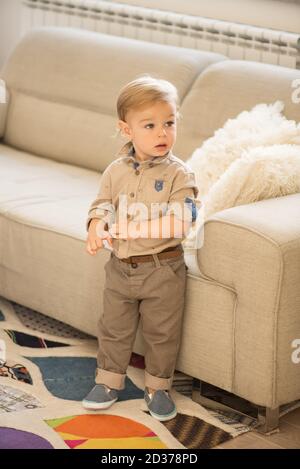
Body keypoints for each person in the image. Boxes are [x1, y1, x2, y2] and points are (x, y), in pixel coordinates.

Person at [82, 75, 201, 421]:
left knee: (162, 332)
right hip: (120, 267)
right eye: (149, 125)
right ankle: (108, 381)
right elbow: (102, 203)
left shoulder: (181, 175)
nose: (162, 133)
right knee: (114, 327)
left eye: (169, 123)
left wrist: (134, 228)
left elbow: (180, 222)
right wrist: (95, 226)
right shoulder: (115, 171)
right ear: (126, 130)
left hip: (163, 269)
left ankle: (158, 387)